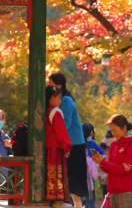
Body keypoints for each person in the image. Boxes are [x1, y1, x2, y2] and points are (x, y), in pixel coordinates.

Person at [49, 72, 88, 208]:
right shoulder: (60, 99)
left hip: (74, 144)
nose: (49, 86)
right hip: (67, 144)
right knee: (69, 178)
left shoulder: (66, 101)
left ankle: (78, 205)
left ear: (59, 85)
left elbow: (65, 124)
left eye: (51, 83)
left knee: (74, 179)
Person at [93, 114, 132, 208]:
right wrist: (100, 162)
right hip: (113, 191)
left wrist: (104, 163)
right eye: (111, 130)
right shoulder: (114, 145)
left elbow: (124, 169)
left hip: (126, 191)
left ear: (124, 128)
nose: (113, 133)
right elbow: (110, 168)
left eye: (114, 130)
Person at [46, 85, 73, 207]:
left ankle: (51, 197)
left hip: (48, 149)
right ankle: (57, 198)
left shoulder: (46, 111)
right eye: (59, 98)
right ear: (52, 98)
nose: (60, 101)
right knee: (57, 172)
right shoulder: (56, 112)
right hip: (56, 149)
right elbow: (61, 132)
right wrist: (67, 146)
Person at [83, 123, 105, 208]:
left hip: (81, 172)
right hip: (90, 172)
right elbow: (102, 154)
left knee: (84, 195)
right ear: (90, 132)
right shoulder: (92, 142)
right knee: (90, 194)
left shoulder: (79, 143)